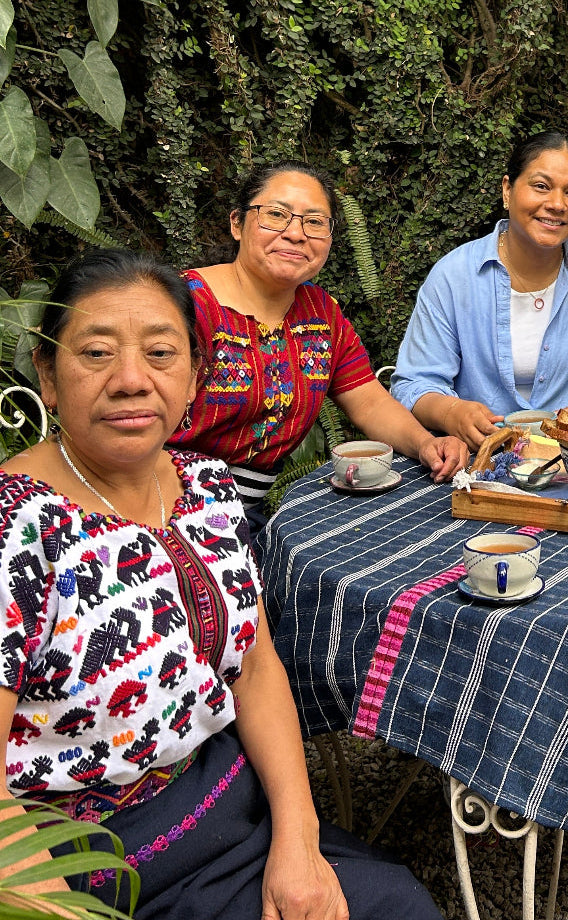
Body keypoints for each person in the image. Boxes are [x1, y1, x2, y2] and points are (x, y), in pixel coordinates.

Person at [0, 249, 443, 919]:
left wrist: (298, 842)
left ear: (194, 377)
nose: (131, 380)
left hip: (226, 803)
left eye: (160, 353)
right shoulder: (17, 526)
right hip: (88, 861)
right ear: (47, 374)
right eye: (95, 354)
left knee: (396, 906)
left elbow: (255, 666)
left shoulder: (205, 486)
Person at [171, 161, 468, 519]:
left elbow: (368, 401)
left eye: (314, 222)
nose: (296, 234)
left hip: (246, 515)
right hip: (163, 507)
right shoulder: (182, 305)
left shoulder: (320, 313)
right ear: (237, 223)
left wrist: (426, 444)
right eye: (276, 215)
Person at [390, 132, 568, 449]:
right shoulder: (454, 277)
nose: (557, 204)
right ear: (507, 190)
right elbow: (414, 383)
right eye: (541, 186)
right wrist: (451, 413)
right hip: (474, 462)